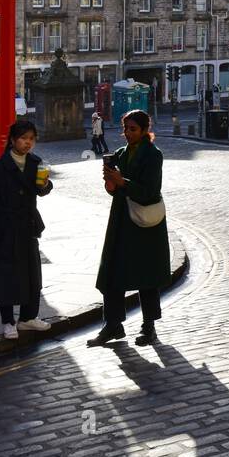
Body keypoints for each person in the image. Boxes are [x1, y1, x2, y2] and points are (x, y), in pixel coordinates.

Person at [89, 110, 172, 347]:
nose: (127, 134)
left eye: (133, 129)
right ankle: (113, 325)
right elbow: (114, 188)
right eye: (125, 129)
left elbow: (149, 192)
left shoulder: (153, 155)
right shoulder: (122, 153)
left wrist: (121, 181)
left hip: (145, 225)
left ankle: (149, 327)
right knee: (112, 273)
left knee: (147, 276)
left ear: (145, 130)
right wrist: (110, 181)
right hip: (122, 221)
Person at [0, 120, 53, 340]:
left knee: (32, 276)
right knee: (6, 277)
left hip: (27, 228)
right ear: (12, 140)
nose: (27, 143)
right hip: (4, 231)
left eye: (31, 139)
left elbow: (43, 190)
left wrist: (45, 185)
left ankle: (28, 318)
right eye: (23, 138)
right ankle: (8, 321)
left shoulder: (36, 163)